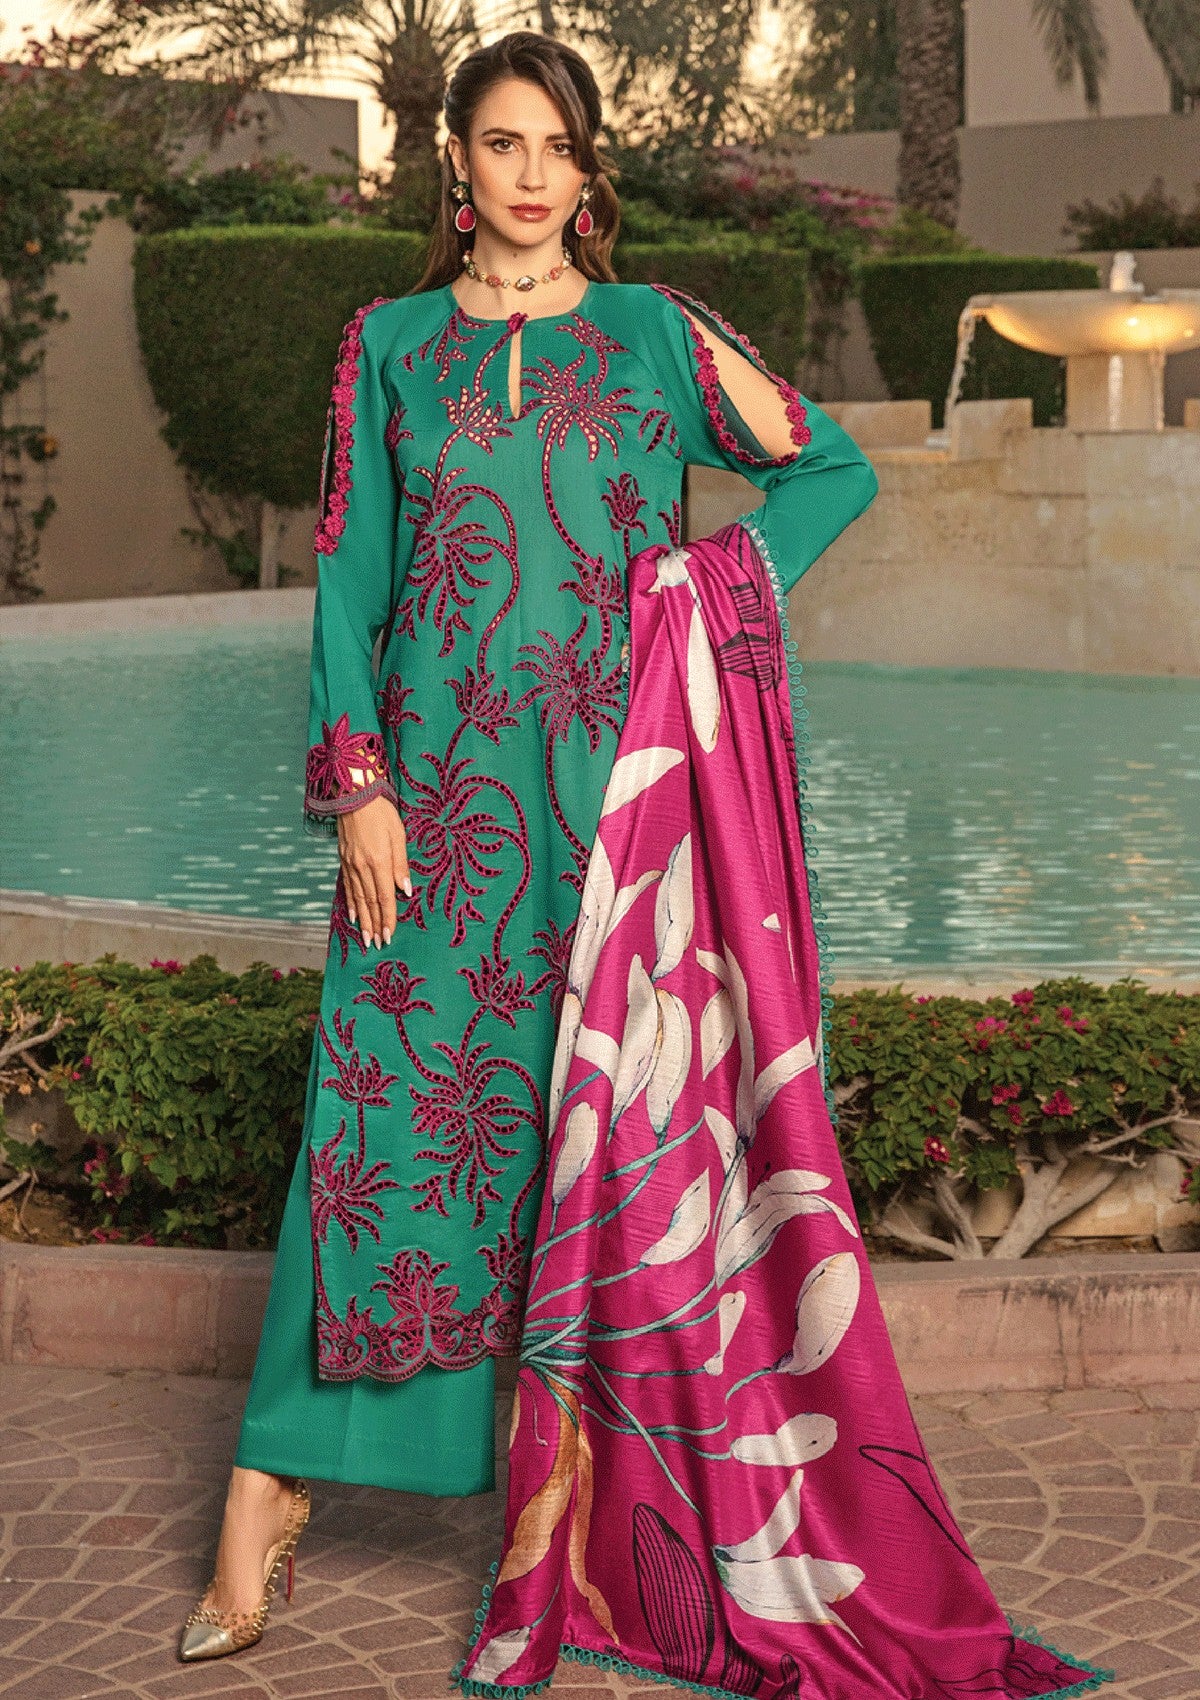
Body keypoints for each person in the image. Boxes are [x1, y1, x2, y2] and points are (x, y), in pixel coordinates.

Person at [178, 28, 878, 1662]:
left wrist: (696, 603)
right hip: (431, 818)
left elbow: (831, 472)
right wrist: (359, 785)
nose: (534, 176)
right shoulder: (391, 348)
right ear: (457, 161)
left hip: (615, 809)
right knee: (377, 1124)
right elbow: (351, 578)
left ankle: (591, 1507)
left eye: (559, 146)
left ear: (589, 164)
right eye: (504, 144)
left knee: (594, 1141)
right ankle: (267, 1490)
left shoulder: (652, 336)